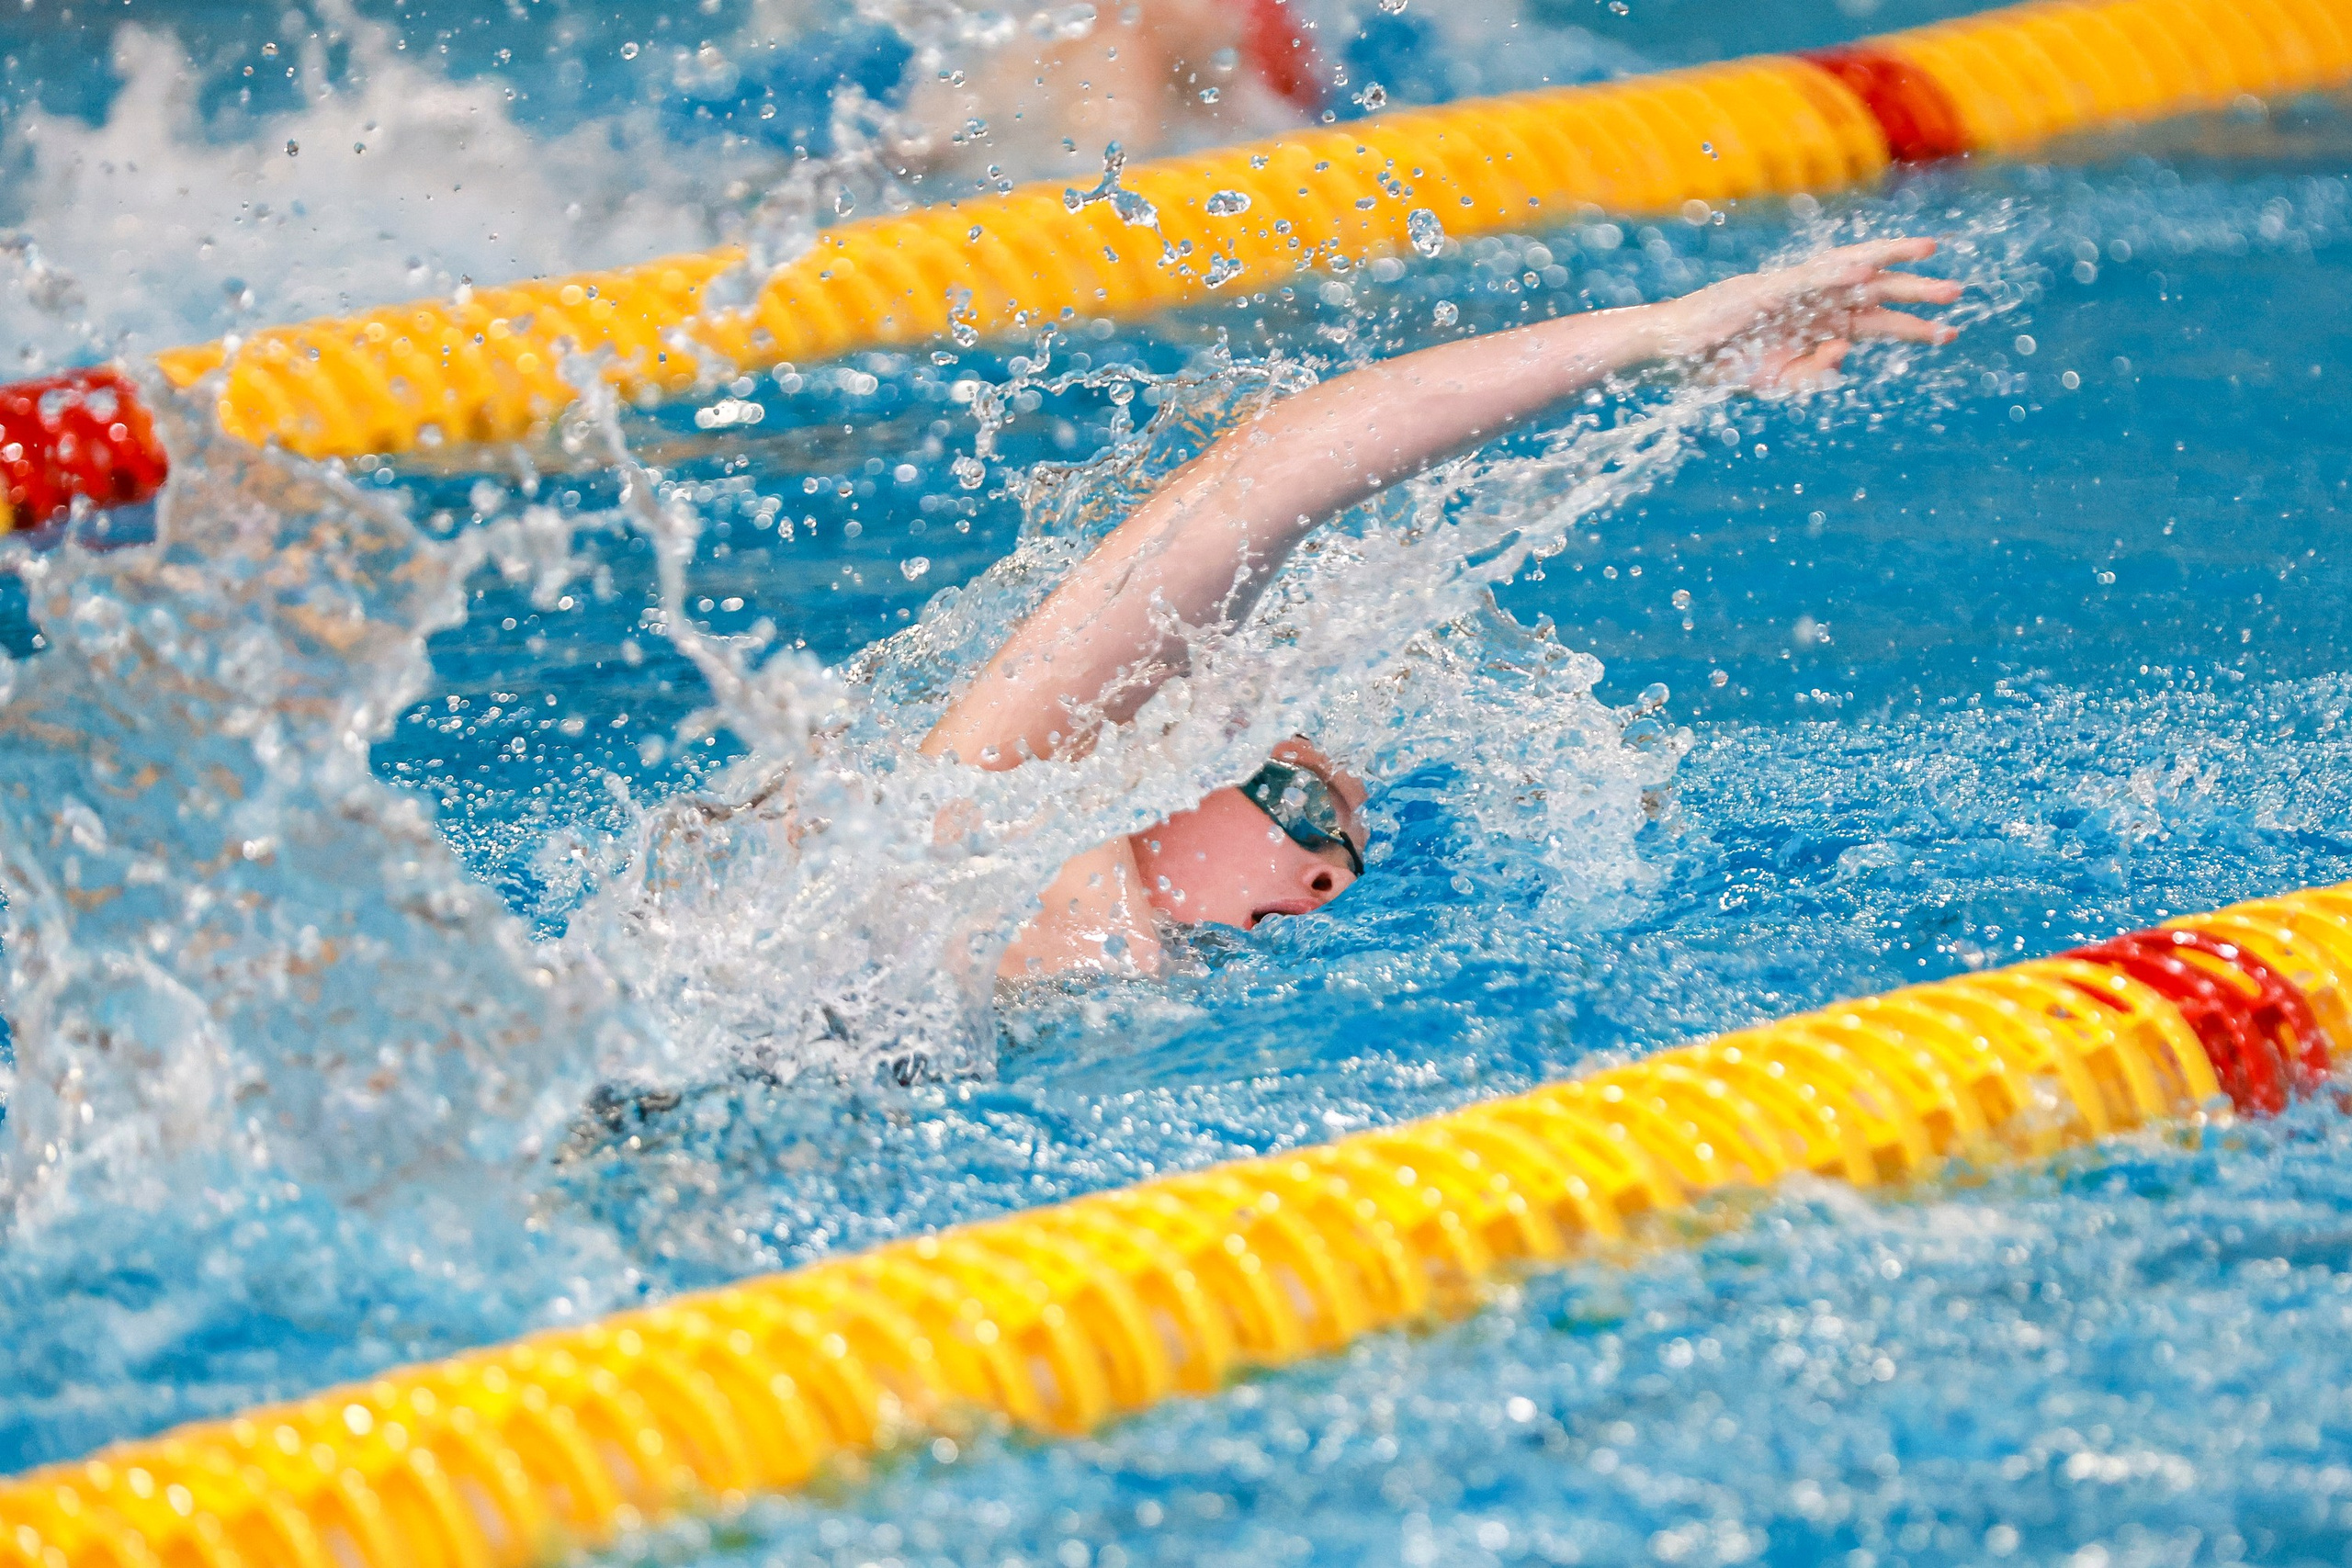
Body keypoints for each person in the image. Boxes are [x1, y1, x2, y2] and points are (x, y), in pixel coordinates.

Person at [922, 237, 1963, 980]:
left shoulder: (1073, 927)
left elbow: (1266, 484)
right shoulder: (970, 826)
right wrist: (1655, 334)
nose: (1330, 873)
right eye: (1301, 807)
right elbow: (1271, 477)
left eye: (1329, 837)